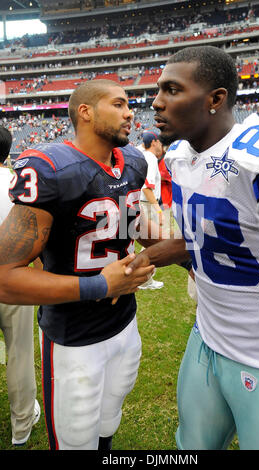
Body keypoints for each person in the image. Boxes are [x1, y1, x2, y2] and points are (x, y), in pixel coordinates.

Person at [127, 45, 259, 450]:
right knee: (192, 445)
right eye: (158, 89)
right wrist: (156, 254)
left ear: (215, 99)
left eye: (172, 89)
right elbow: (216, 233)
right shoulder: (181, 157)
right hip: (207, 335)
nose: (155, 101)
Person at [0, 79, 155, 451]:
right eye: (118, 104)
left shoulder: (133, 161)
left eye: (129, 104)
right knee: (75, 438)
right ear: (85, 112)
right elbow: (4, 278)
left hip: (124, 323)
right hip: (74, 336)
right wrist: (99, 286)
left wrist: (173, 251)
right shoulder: (52, 169)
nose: (130, 112)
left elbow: (141, 224)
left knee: (108, 420)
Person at [0, 126, 41, 446]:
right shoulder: (19, 183)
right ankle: (22, 425)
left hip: (12, 275)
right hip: (14, 277)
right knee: (20, 352)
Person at [138, 129, 164, 290]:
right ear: (154, 142)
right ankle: (144, 279)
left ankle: (143, 277)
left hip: (142, 202)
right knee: (151, 244)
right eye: (160, 142)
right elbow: (148, 188)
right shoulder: (150, 158)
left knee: (146, 243)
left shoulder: (142, 154)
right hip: (147, 203)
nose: (161, 145)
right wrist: (159, 211)